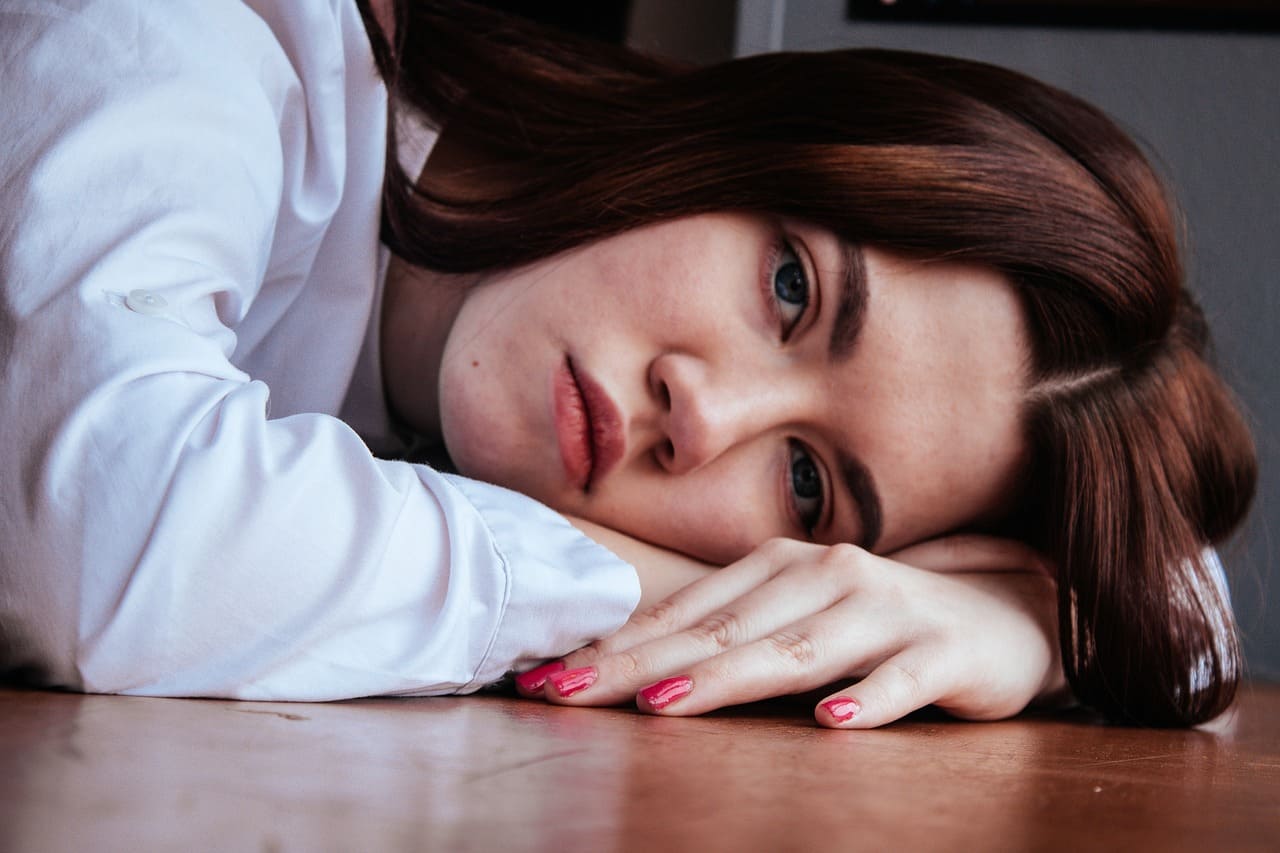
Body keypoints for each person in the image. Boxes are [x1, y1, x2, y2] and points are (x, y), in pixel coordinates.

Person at [0, 0, 1255, 729]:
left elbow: (1188, 618)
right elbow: (103, 538)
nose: (701, 413)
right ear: (741, 136)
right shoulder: (224, 41)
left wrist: (1026, 617)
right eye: (790, 289)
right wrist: (693, 593)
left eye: (805, 484)